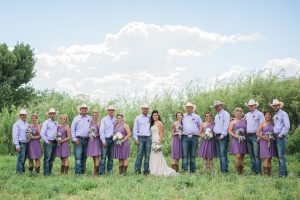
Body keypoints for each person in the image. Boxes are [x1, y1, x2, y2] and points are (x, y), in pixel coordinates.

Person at [149, 110, 177, 176]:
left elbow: (161, 133)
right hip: (153, 140)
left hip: (157, 140)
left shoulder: (159, 123)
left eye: (156, 115)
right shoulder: (152, 123)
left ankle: (159, 170)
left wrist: (159, 143)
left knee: (158, 155)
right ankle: (153, 170)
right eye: (153, 115)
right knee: (153, 155)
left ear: (158, 116)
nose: (154, 116)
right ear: (152, 116)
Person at [270, 99, 290, 177]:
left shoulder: (283, 114)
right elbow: (276, 127)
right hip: (276, 137)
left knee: (281, 156)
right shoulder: (275, 116)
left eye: (276, 105)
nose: (275, 107)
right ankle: (283, 172)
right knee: (279, 156)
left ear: (279, 106)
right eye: (274, 106)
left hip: (281, 137)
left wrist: (280, 135)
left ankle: (282, 174)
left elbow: (287, 126)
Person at [244, 99, 264, 174]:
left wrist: (260, 136)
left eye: (252, 105)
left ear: (255, 106)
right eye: (249, 105)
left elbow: (262, 125)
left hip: (256, 136)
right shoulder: (247, 115)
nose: (251, 106)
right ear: (248, 106)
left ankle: (258, 172)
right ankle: (253, 171)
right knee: (251, 155)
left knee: (256, 155)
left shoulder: (260, 114)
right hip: (248, 136)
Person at [71, 104, 91, 175]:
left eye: (85, 109)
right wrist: (74, 139)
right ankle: (77, 173)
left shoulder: (89, 118)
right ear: (80, 109)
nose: (84, 110)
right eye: (82, 108)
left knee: (84, 157)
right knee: (78, 157)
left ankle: (83, 172)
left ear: (87, 110)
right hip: (78, 139)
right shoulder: (76, 118)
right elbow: (72, 130)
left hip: (86, 139)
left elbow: (92, 128)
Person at [182, 102, 202, 173]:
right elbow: (178, 124)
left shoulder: (197, 117)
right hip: (185, 137)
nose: (188, 109)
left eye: (190, 107)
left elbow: (201, 126)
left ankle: (193, 171)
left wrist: (199, 134)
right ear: (186, 109)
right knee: (185, 155)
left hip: (194, 137)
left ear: (192, 108)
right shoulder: (183, 116)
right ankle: (185, 170)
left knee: (193, 155)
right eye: (187, 107)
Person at [256, 111, 277, 176]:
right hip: (264, 142)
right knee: (266, 158)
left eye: (269, 115)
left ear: (271, 116)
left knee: (270, 158)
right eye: (266, 115)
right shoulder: (262, 123)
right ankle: (265, 174)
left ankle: (269, 174)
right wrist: (265, 138)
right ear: (264, 116)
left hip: (271, 142)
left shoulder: (273, 123)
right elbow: (257, 133)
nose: (267, 116)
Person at [212, 100, 230, 173]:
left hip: (222, 136)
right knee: (220, 154)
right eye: (216, 106)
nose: (218, 107)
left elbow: (226, 125)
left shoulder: (226, 114)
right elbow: (216, 125)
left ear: (221, 106)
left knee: (223, 154)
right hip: (216, 136)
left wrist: (222, 135)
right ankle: (222, 169)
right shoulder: (216, 115)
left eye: (219, 106)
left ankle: (224, 171)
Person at [133, 104, 152, 175]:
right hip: (140, 138)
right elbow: (135, 129)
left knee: (147, 155)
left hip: (148, 138)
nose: (145, 110)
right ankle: (137, 170)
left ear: (148, 110)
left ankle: (146, 170)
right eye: (144, 109)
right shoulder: (138, 118)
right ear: (141, 109)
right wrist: (135, 138)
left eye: (146, 109)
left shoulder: (150, 118)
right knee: (139, 154)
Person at [228, 108, 247, 174]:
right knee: (238, 156)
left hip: (243, 140)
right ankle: (237, 172)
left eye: (240, 113)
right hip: (235, 140)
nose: (238, 115)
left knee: (242, 156)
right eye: (237, 113)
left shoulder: (244, 121)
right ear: (235, 114)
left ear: (242, 113)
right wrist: (236, 136)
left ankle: (241, 172)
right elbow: (229, 131)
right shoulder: (232, 122)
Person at [41, 108, 59, 176]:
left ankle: (50, 172)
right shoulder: (46, 123)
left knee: (52, 158)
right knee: (47, 158)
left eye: (53, 114)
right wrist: (46, 141)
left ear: (55, 114)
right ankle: (46, 173)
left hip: (55, 142)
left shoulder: (56, 122)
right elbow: (42, 133)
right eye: (51, 114)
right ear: (49, 115)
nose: (52, 115)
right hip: (49, 142)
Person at [100, 105, 117, 175]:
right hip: (106, 139)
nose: (111, 111)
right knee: (103, 157)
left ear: (114, 111)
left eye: (112, 110)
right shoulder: (104, 119)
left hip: (113, 140)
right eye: (109, 110)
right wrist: (103, 141)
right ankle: (102, 172)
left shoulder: (115, 119)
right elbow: (101, 131)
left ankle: (109, 172)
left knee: (111, 157)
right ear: (107, 111)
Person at [12, 109, 29, 174]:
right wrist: (17, 145)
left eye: (25, 115)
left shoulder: (27, 124)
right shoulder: (16, 124)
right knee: (20, 158)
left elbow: (28, 134)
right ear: (20, 116)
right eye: (22, 115)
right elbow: (15, 135)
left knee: (24, 158)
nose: (24, 116)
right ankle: (19, 172)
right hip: (21, 143)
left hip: (26, 143)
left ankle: (22, 170)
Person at [86, 111, 101, 176]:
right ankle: (94, 171)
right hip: (91, 141)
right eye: (93, 115)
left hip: (96, 141)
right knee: (93, 157)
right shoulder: (90, 122)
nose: (94, 116)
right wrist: (90, 133)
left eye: (96, 115)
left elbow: (101, 132)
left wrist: (95, 135)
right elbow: (89, 130)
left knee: (96, 156)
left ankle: (96, 173)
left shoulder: (99, 123)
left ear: (98, 116)